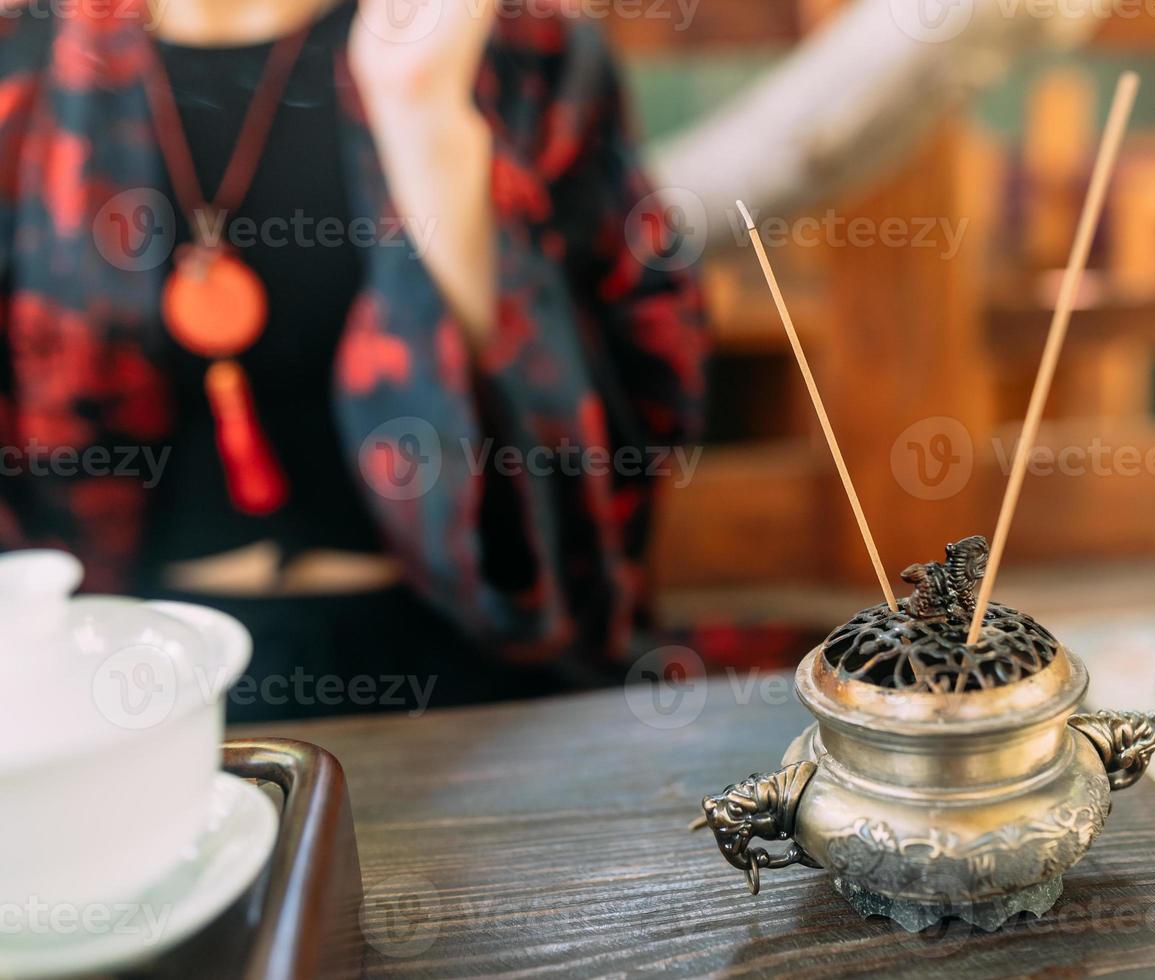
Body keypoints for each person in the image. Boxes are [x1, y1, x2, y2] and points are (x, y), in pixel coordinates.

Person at [0, 0, 707, 721]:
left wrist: (425, 119)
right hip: (127, 692)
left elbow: (626, 434)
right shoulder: (22, 62)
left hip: (481, 676)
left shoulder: (519, 45)